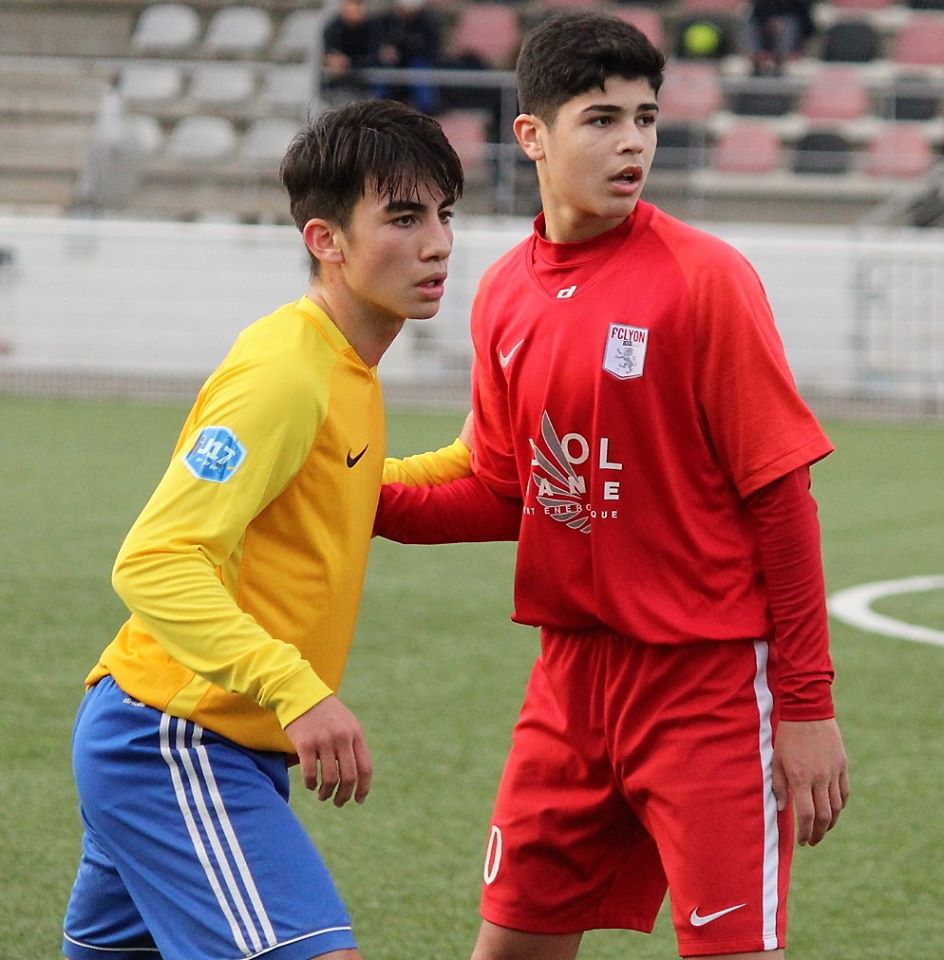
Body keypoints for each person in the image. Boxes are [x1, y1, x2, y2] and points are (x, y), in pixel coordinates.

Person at [375, 12, 850, 960]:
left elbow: (783, 507)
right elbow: (510, 495)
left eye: (646, 117)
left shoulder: (707, 281)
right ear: (533, 136)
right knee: (509, 947)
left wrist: (806, 706)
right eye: (601, 119)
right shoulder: (503, 291)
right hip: (570, 679)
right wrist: (348, 494)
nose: (632, 141)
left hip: (708, 685)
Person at [61, 98, 469, 960]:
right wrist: (298, 688)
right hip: (173, 740)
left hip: (190, 741)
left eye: (443, 214)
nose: (436, 243)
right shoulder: (287, 369)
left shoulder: (343, 365)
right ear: (326, 239)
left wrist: (484, 458)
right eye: (403, 216)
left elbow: (338, 492)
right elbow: (156, 560)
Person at [744, 0, 816, 75]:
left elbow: (808, 29)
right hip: (764, 47)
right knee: (751, 24)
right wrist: (770, 23)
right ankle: (757, 58)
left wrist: (799, 51)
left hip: (790, 50)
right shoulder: (762, 4)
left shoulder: (799, 5)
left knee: (790, 24)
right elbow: (756, 19)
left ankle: (780, 59)